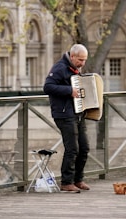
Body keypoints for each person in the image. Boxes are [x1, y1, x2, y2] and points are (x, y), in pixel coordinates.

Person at [43, 44, 91, 193]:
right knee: (72, 149)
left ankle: (78, 179)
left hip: (77, 112)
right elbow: (48, 87)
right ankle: (66, 182)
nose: (82, 63)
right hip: (64, 114)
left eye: (84, 60)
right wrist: (69, 90)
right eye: (80, 60)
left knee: (84, 147)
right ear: (72, 57)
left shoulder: (75, 68)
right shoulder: (59, 68)